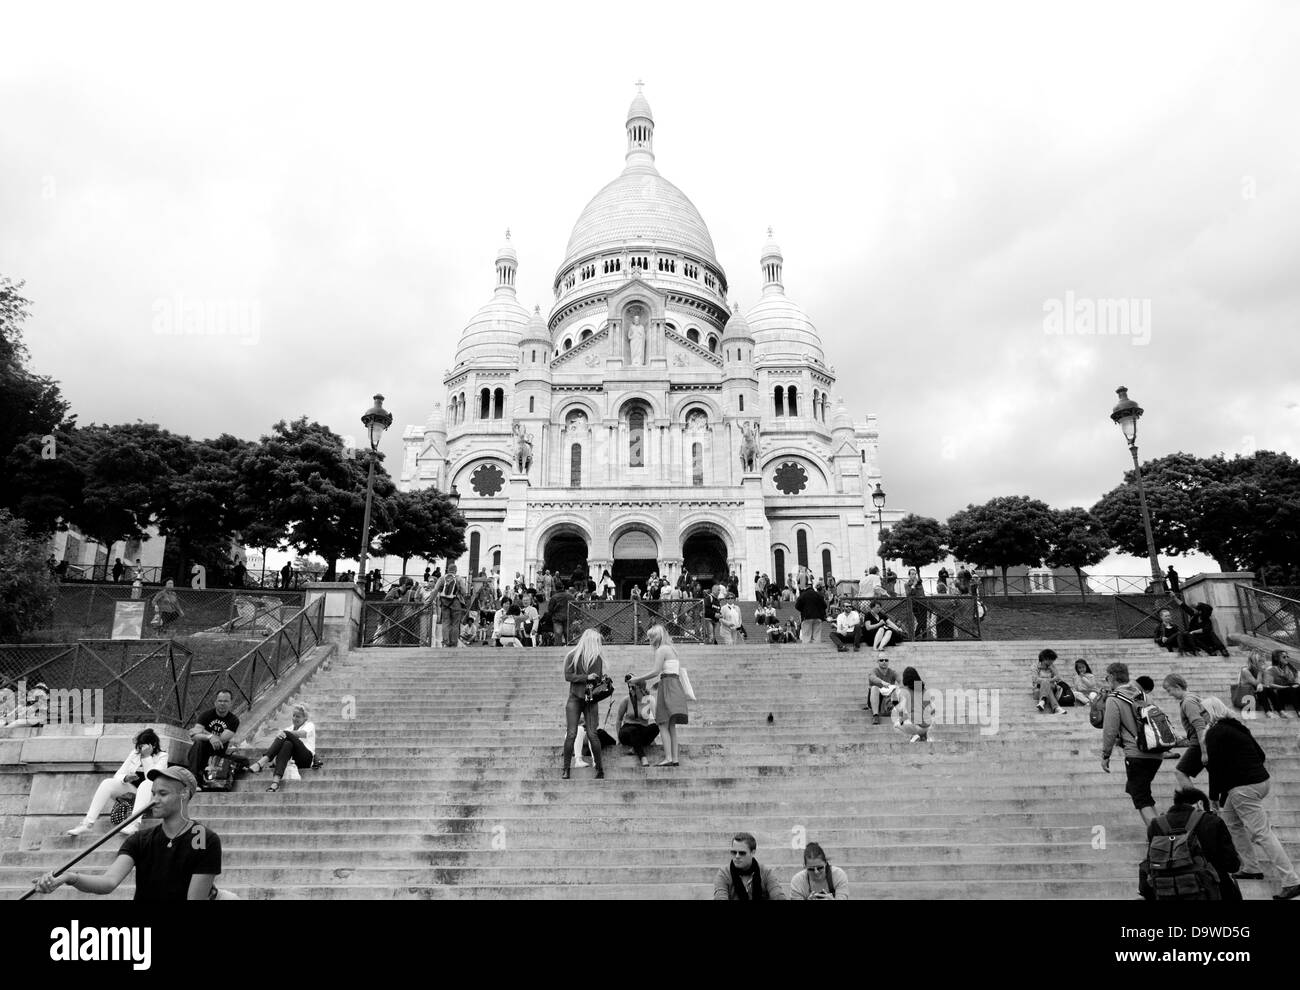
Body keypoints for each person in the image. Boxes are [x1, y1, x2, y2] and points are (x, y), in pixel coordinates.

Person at [32, 767, 223, 901]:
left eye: (162, 794)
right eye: (153, 793)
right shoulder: (140, 839)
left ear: (184, 794)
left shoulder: (204, 839)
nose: (154, 800)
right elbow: (108, 882)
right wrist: (69, 877)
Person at [1202, 696, 1300, 899]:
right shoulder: (1237, 726)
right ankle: (1251, 867)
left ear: (1212, 711)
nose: (1201, 716)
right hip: (1260, 782)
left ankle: (1291, 880)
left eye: (1203, 712)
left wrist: (1213, 796)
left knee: (1262, 833)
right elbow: (1261, 755)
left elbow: (1215, 768)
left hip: (1243, 787)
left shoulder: (1214, 732)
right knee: (1231, 821)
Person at [1139, 787, 1240, 901]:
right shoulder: (1213, 821)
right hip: (1210, 892)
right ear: (1200, 804)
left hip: (1167, 891)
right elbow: (1232, 865)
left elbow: (1150, 863)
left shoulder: (1156, 824)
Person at [65, 729, 168, 837]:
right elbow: (118, 775)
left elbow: (153, 778)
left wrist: (147, 757)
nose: (140, 749)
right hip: (132, 793)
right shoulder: (135, 754)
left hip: (151, 795)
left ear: (153, 745)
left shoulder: (162, 756)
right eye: (139, 746)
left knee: (145, 784)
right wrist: (126, 778)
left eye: (143, 746)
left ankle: (134, 824)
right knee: (107, 782)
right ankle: (87, 824)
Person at [1100, 662, 1163, 826]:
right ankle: (1160, 830)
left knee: (1141, 798)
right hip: (1155, 752)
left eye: (1107, 678)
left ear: (1112, 677)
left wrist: (1106, 755)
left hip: (1136, 754)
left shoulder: (1114, 698)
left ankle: (1161, 836)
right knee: (1141, 792)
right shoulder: (1144, 695)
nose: (1107, 681)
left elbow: (1109, 730)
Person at [630, 624, 689, 767]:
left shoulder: (661, 650)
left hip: (668, 688)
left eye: (651, 637)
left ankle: (668, 757)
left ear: (657, 637)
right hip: (674, 686)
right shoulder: (672, 650)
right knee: (671, 726)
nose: (649, 639)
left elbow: (656, 671)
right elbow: (670, 671)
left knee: (662, 724)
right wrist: (659, 681)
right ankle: (674, 759)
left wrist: (637, 679)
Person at [561, 629, 606, 779]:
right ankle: (566, 768)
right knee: (572, 733)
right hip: (579, 698)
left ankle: (599, 768)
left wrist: (589, 678)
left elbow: (596, 678)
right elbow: (567, 676)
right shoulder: (574, 655)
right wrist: (587, 677)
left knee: (591, 734)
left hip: (586, 698)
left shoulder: (595, 658)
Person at [246, 703, 318, 792]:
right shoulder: (289, 728)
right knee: (287, 744)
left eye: (298, 716)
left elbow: (301, 734)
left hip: (306, 759)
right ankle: (275, 783)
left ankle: (262, 761)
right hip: (292, 760)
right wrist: (284, 734)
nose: (294, 718)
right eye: (294, 716)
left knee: (286, 734)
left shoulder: (309, 725)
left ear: (305, 718)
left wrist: (284, 733)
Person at [1162, 674, 1210, 792]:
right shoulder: (1194, 697)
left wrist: (1204, 751)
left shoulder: (1188, 702)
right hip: (1204, 741)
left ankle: (1196, 805)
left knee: (1180, 772)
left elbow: (1199, 726)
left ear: (1177, 687)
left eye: (1169, 690)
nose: (1169, 694)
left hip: (1199, 743)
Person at [186, 689, 240, 788]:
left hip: (218, 753)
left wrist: (204, 732)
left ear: (230, 703)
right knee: (198, 743)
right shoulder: (205, 715)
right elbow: (194, 736)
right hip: (201, 752)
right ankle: (193, 779)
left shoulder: (233, 720)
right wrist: (210, 737)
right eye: (220, 701)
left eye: (226, 701)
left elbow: (221, 740)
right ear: (215, 702)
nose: (222, 703)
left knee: (242, 761)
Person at [713, 832, 785, 900]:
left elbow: (778, 895)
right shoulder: (724, 874)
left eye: (742, 853)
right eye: (734, 852)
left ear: (753, 852)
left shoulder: (766, 873)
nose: (737, 856)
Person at [616, 678, 660, 767]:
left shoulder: (649, 700)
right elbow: (619, 720)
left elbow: (657, 720)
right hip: (627, 730)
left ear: (640, 688)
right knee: (633, 730)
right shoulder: (627, 700)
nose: (631, 689)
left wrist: (652, 738)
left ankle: (635, 747)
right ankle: (643, 757)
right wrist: (618, 739)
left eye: (633, 687)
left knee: (656, 727)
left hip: (642, 730)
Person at [894, 666, 935, 743]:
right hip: (927, 726)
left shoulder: (904, 691)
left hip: (915, 725)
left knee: (896, 726)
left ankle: (913, 736)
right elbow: (933, 709)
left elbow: (902, 710)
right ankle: (923, 736)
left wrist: (900, 720)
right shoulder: (924, 690)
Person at [434, 564, 466, 648]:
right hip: (456, 602)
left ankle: (445, 641)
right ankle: (454, 642)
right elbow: (464, 591)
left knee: (445, 622)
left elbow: (436, 589)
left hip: (444, 603)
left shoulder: (442, 578)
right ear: (456, 570)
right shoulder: (459, 578)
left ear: (448, 570)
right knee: (455, 623)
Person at [1264, 650, 1300, 716]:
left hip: (1292, 692)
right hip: (1280, 693)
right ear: (1276, 658)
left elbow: (1294, 682)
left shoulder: (1289, 669)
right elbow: (1268, 684)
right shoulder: (1271, 669)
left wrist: (1294, 681)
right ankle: (1298, 711)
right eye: (1284, 657)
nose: (1286, 658)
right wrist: (1285, 687)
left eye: (1287, 656)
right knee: (1291, 689)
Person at [1034, 649, 1069, 715]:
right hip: (1039, 688)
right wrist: (1048, 680)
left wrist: (1047, 680)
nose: (1052, 661)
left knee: (1045, 682)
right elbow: (1035, 679)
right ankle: (1056, 708)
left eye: (1053, 660)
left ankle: (1042, 701)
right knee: (1047, 687)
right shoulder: (1035, 666)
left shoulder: (1052, 666)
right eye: (1051, 659)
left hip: (1053, 686)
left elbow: (1058, 678)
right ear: (1044, 658)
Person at [866, 654, 899, 725]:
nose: (884, 662)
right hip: (875, 699)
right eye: (881, 660)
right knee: (874, 688)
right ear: (877, 661)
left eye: (886, 660)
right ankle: (875, 715)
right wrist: (882, 682)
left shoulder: (892, 672)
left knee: (897, 688)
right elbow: (872, 678)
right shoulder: (874, 671)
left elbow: (901, 680)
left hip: (887, 699)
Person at [905, 567, 928, 640]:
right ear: (909, 575)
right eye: (912, 574)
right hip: (914, 605)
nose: (914, 576)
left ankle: (925, 638)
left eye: (915, 574)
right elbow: (908, 594)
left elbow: (922, 593)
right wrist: (913, 586)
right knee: (920, 621)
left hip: (923, 604)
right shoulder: (907, 584)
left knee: (924, 622)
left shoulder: (920, 583)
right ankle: (915, 636)